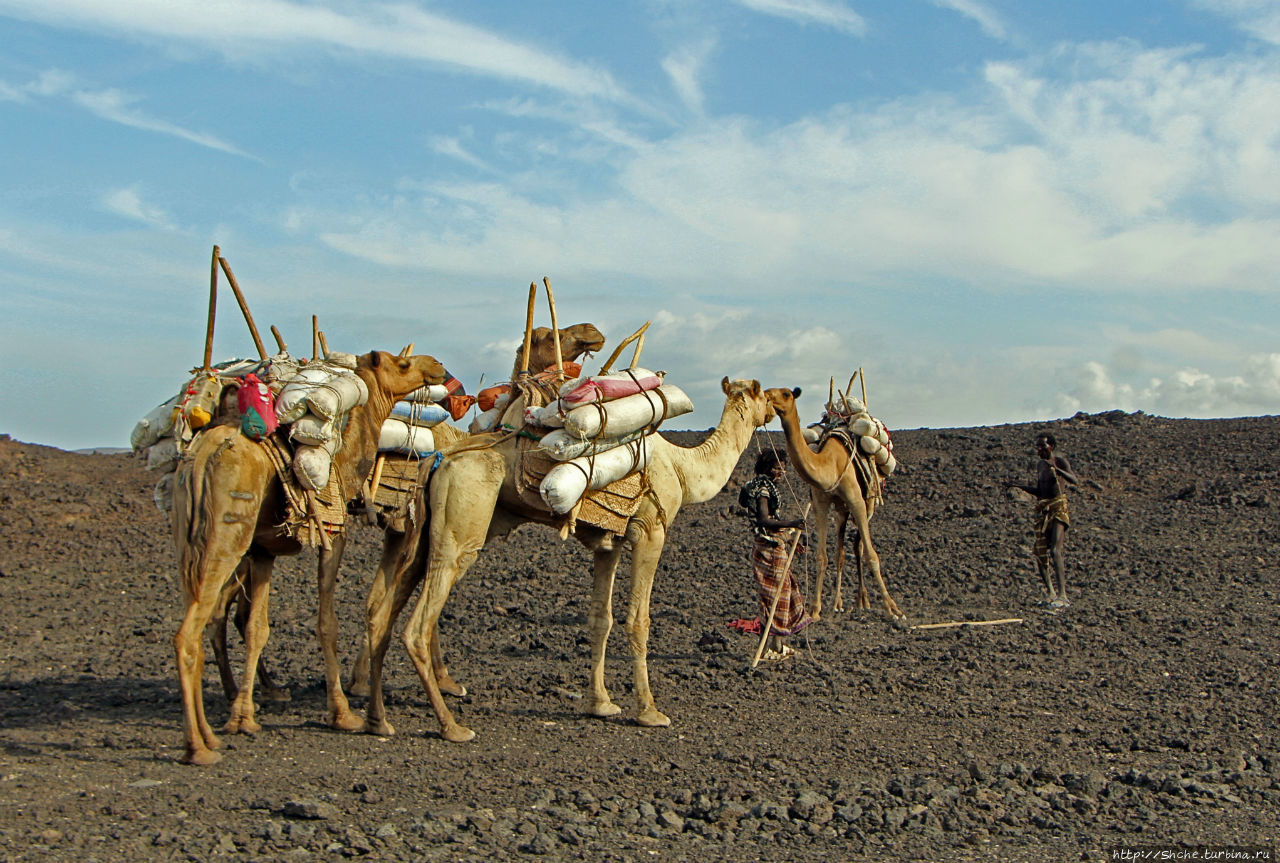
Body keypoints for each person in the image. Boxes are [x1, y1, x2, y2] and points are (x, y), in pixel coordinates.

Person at [740, 450, 811, 660]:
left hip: (773, 547)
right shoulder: (763, 490)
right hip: (768, 550)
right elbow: (764, 520)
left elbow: (771, 520)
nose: (781, 472)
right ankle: (767, 649)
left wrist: (789, 538)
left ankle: (777, 646)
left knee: (783, 593)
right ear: (766, 468)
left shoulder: (765, 487)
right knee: (775, 596)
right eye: (776, 467)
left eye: (783, 467)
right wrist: (792, 524)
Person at [1010, 432, 1080, 609]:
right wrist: (1019, 487)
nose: (1040, 449)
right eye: (1038, 447)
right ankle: (1051, 593)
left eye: (1043, 446)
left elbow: (1074, 480)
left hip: (1058, 508)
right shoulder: (1040, 465)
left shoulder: (1059, 461)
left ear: (1052, 446)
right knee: (1040, 552)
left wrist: (1058, 470)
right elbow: (1041, 491)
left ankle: (1063, 595)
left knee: (1056, 550)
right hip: (1044, 508)